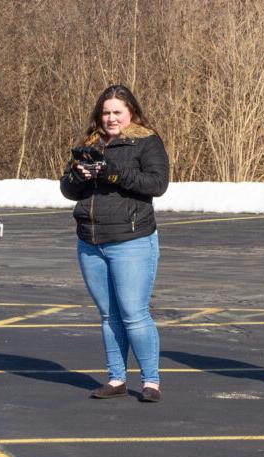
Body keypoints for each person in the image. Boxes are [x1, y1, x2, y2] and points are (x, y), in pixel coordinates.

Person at [60, 84, 169, 403]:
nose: (110, 118)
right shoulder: (90, 143)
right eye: (105, 112)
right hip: (91, 240)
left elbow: (157, 184)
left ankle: (151, 381)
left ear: (130, 112)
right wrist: (77, 178)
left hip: (132, 239)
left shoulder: (145, 141)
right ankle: (116, 378)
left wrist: (113, 174)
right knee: (108, 315)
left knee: (134, 313)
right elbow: (68, 190)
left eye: (117, 112)